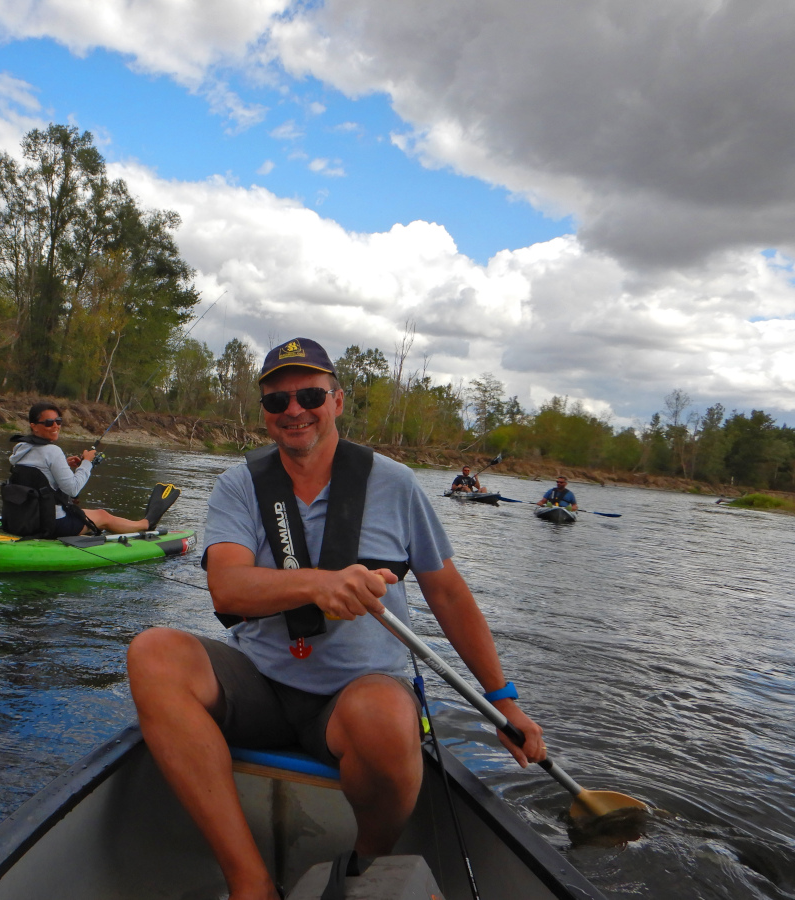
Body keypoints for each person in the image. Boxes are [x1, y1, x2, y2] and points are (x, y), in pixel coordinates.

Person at [126, 338, 545, 900]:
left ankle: (364, 865)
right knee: (153, 653)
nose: (294, 410)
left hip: (354, 698)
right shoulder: (240, 485)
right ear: (265, 415)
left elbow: (447, 593)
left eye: (309, 395)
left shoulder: (394, 484)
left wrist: (503, 697)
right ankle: (251, 883)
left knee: (384, 717)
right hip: (262, 684)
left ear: (338, 401)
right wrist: (321, 582)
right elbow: (227, 585)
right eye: (277, 402)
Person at [6, 402, 178, 537]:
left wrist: (63, 464)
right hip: (50, 523)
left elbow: (34, 474)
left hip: (25, 517)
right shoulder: (52, 451)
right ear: (34, 426)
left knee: (92, 513)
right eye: (49, 422)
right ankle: (145, 524)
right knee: (103, 516)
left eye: (58, 421)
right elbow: (73, 489)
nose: (55, 426)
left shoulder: (21, 448)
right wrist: (87, 463)